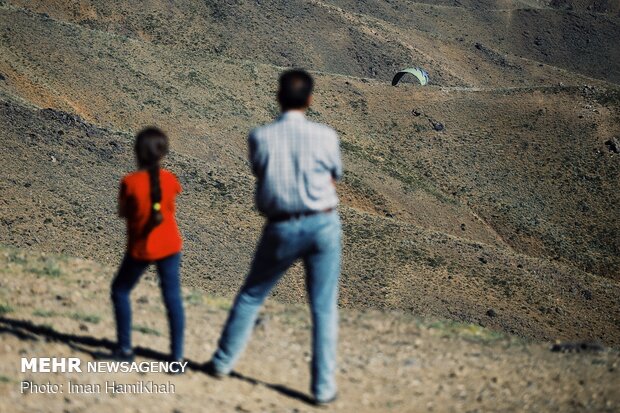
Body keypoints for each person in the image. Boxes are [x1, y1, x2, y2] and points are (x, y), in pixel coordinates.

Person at [205, 69, 343, 405]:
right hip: (323, 223)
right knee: (324, 308)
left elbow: (261, 172)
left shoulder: (260, 137)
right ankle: (323, 389)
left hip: (281, 226)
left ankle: (223, 363)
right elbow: (334, 178)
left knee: (252, 295)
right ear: (310, 100)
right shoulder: (326, 136)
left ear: (278, 97)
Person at [110, 127, 185, 364]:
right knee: (172, 298)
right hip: (170, 245)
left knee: (120, 290)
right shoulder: (170, 179)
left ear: (137, 152)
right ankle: (177, 357)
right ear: (163, 153)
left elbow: (124, 213)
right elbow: (169, 207)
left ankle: (125, 349)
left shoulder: (130, 183)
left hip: (141, 247)